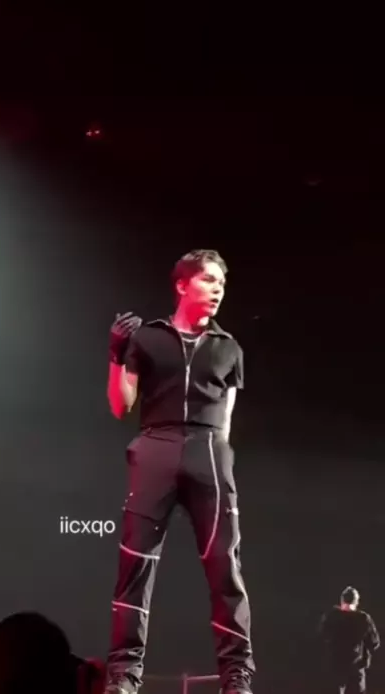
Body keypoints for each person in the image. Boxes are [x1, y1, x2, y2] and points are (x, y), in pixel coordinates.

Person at [104, 249, 255, 694]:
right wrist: (115, 355)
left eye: (222, 283)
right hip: (156, 445)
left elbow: (227, 420)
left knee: (225, 567)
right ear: (182, 284)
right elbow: (120, 406)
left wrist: (219, 463)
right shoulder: (148, 338)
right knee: (135, 564)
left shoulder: (229, 348)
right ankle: (123, 674)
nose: (217, 289)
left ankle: (236, 676)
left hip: (209, 451)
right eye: (209, 280)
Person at [318, 586, 380, 694]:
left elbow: (321, 636)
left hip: (335, 666)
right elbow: (374, 643)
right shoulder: (363, 619)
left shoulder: (331, 616)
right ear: (356, 602)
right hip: (356, 668)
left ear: (342, 600)